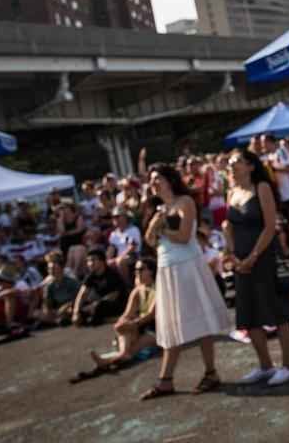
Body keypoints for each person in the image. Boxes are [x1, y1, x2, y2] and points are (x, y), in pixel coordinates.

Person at [141, 163, 229, 400]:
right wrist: (154, 225)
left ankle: (210, 372)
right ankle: (165, 380)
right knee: (171, 324)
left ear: (170, 180)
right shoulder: (157, 208)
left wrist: (161, 229)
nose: (154, 183)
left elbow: (182, 236)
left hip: (187, 265)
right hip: (166, 267)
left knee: (201, 319)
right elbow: (149, 241)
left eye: (158, 178)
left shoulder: (185, 202)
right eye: (151, 179)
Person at [222, 146, 289, 386]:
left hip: (264, 256)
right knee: (249, 313)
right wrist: (233, 256)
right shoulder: (231, 191)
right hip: (241, 259)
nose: (232, 166)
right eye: (230, 163)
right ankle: (265, 365)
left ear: (250, 165)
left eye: (237, 162)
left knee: (278, 310)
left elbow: (270, 226)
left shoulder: (262, 187)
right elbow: (230, 228)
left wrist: (253, 256)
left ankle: (287, 365)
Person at [81, 257, 157, 376]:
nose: (137, 272)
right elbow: (127, 313)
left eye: (141, 269)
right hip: (140, 327)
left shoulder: (158, 289)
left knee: (132, 348)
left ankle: (112, 358)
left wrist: (132, 325)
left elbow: (151, 315)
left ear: (151, 271)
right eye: (136, 270)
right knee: (123, 328)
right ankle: (121, 355)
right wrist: (122, 323)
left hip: (155, 331)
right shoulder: (137, 291)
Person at [72, 249, 125, 327]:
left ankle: (100, 319)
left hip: (115, 303)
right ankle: (91, 318)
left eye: (93, 260)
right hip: (98, 303)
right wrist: (75, 313)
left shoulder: (111, 274)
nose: (90, 264)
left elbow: (114, 295)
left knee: (99, 306)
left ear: (102, 261)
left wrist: (94, 305)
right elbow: (82, 294)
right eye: (88, 261)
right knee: (76, 304)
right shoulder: (91, 276)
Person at [32, 251, 79, 327]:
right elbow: (47, 304)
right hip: (58, 309)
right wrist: (47, 310)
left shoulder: (70, 280)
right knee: (36, 313)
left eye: (53, 268)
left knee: (70, 310)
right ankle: (58, 321)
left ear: (61, 267)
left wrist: (66, 306)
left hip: (70, 306)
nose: (51, 270)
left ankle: (58, 320)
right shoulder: (49, 285)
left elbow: (78, 297)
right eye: (49, 268)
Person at [107, 211, 143, 285]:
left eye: (117, 216)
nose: (115, 219)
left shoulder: (133, 229)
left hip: (134, 255)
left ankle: (127, 285)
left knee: (120, 261)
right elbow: (111, 248)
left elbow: (132, 247)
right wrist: (108, 259)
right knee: (106, 263)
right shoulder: (114, 234)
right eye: (113, 217)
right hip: (119, 257)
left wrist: (117, 259)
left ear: (125, 217)